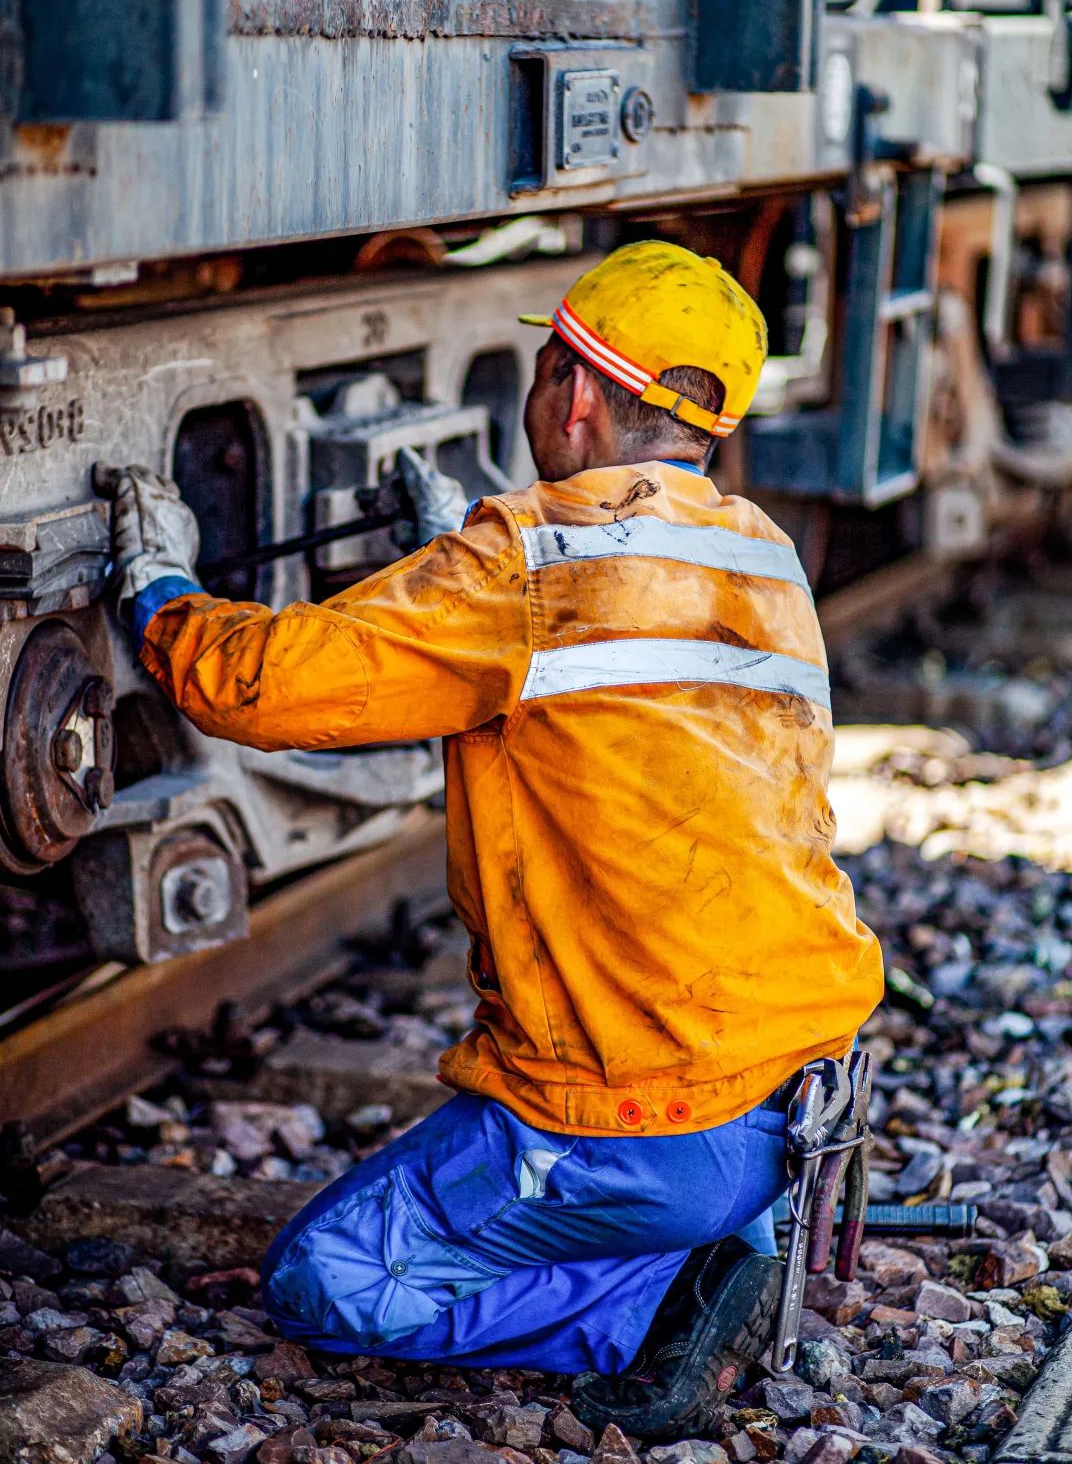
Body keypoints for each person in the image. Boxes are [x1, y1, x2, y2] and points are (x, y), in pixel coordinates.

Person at [108, 241, 883, 1437]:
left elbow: (257, 687)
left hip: (630, 1128)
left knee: (326, 1282)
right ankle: (735, 1238)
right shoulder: (761, 559)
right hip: (790, 1090)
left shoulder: (521, 564)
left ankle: (656, 1306)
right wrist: (451, 556)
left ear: (573, 391)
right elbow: (602, 693)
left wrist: (156, 589)